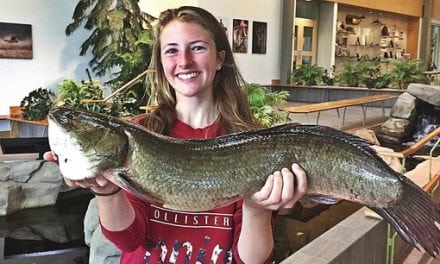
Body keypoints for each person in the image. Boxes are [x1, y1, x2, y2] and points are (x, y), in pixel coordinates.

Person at [45, 6, 307, 264]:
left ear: (220, 58)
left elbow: (250, 259)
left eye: (197, 47)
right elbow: (129, 240)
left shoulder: (253, 142)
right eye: (172, 50)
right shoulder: (141, 134)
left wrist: (258, 209)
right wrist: (108, 192)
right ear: (161, 62)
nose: (184, 61)